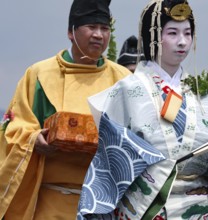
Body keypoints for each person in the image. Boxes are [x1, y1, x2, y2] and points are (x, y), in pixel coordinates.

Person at [77, 0, 208, 219]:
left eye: (188, 33)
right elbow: (110, 157)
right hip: (145, 205)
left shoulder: (206, 92)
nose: (182, 42)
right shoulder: (127, 89)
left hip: (204, 206)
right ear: (153, 36)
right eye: (172, 33)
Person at [0, 0, 131, 218]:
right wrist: (34, 139)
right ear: (71, 32)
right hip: (50, 201)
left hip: (105, 205)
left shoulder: (124, 80)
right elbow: (14, 128)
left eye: (105, 29)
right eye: (91, 27)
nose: (99, 35)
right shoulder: (40, 74)